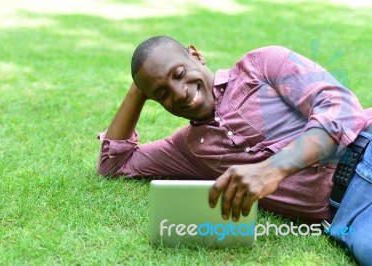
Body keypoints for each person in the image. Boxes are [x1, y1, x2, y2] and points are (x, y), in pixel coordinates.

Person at [97, 36, 372, 264]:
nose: (179, 93)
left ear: (196, 55)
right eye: (162, 94)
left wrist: (273, 169)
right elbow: (114, 164)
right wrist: (140, 86)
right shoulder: (187, 148)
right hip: (349, 215)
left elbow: (342, 109)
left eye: (179, 74)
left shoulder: (261, 66)